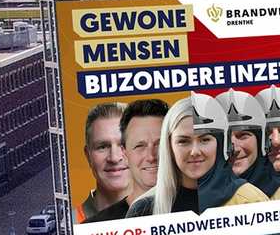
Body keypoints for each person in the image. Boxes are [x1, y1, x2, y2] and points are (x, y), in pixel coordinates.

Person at [127, 94, 266, 217]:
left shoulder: (251, 201)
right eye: (183, 141)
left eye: (205, 139)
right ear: (169, 146)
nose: (194, 151)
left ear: (220, 143)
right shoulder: (143, 210)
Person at [76, 101, 129, 223]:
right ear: (88, 156)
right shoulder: (69, 225)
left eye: (124, 144)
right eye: (102, 147)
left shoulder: (167, 215)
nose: (114, 158)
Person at [119, 98, 169, 209]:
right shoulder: (102, 220)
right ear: (124, 155)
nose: (151, 157)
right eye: (139, 146)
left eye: (160, 144)